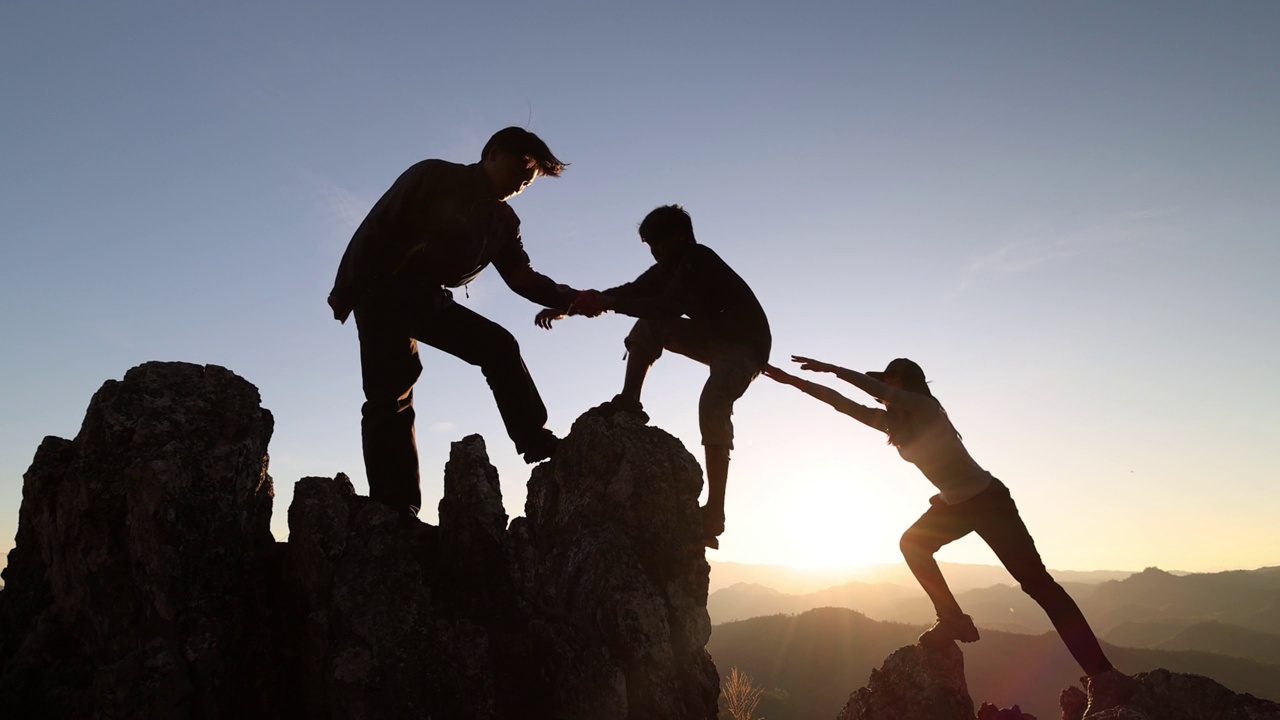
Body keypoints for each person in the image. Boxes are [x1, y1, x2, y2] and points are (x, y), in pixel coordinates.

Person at [764, 356, 1134, 716]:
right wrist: (792, 381)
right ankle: (952, 619)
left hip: (989, 501)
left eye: (889, 384)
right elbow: (841, 404)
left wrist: (834, 369)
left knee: (1037, 584)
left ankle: (1103, 674)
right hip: (954, 505)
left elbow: (868, 388)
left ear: (905, 384)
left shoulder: (927, 408)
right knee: (913, 544)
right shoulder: (894, 425)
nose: (882, 393)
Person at [328, 127, 589, 517]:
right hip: (382, 289)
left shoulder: (503, 221)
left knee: (498, 346)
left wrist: (571, 299)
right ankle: (396, 507)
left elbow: (521, 278)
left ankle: (533, 438)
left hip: (428, 299)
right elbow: (377, 225)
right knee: (391, 393)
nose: (524, 181)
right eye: (522, 168)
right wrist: (347, 290)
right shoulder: (435, 176)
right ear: (494, 153)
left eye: (530, 179)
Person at [538, 205, 771, 548]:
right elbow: (633, 291)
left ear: (681, 236)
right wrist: (572, 305)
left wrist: (607, 302)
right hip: (714, 337)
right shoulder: (669, 268)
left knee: (713, 404)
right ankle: (629, 402)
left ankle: (715, 512)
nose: (654, 252)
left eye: (658, 244)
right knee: (650, 326)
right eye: (650, 245)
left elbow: (665, 305)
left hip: (745, 348)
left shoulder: (698, 262)